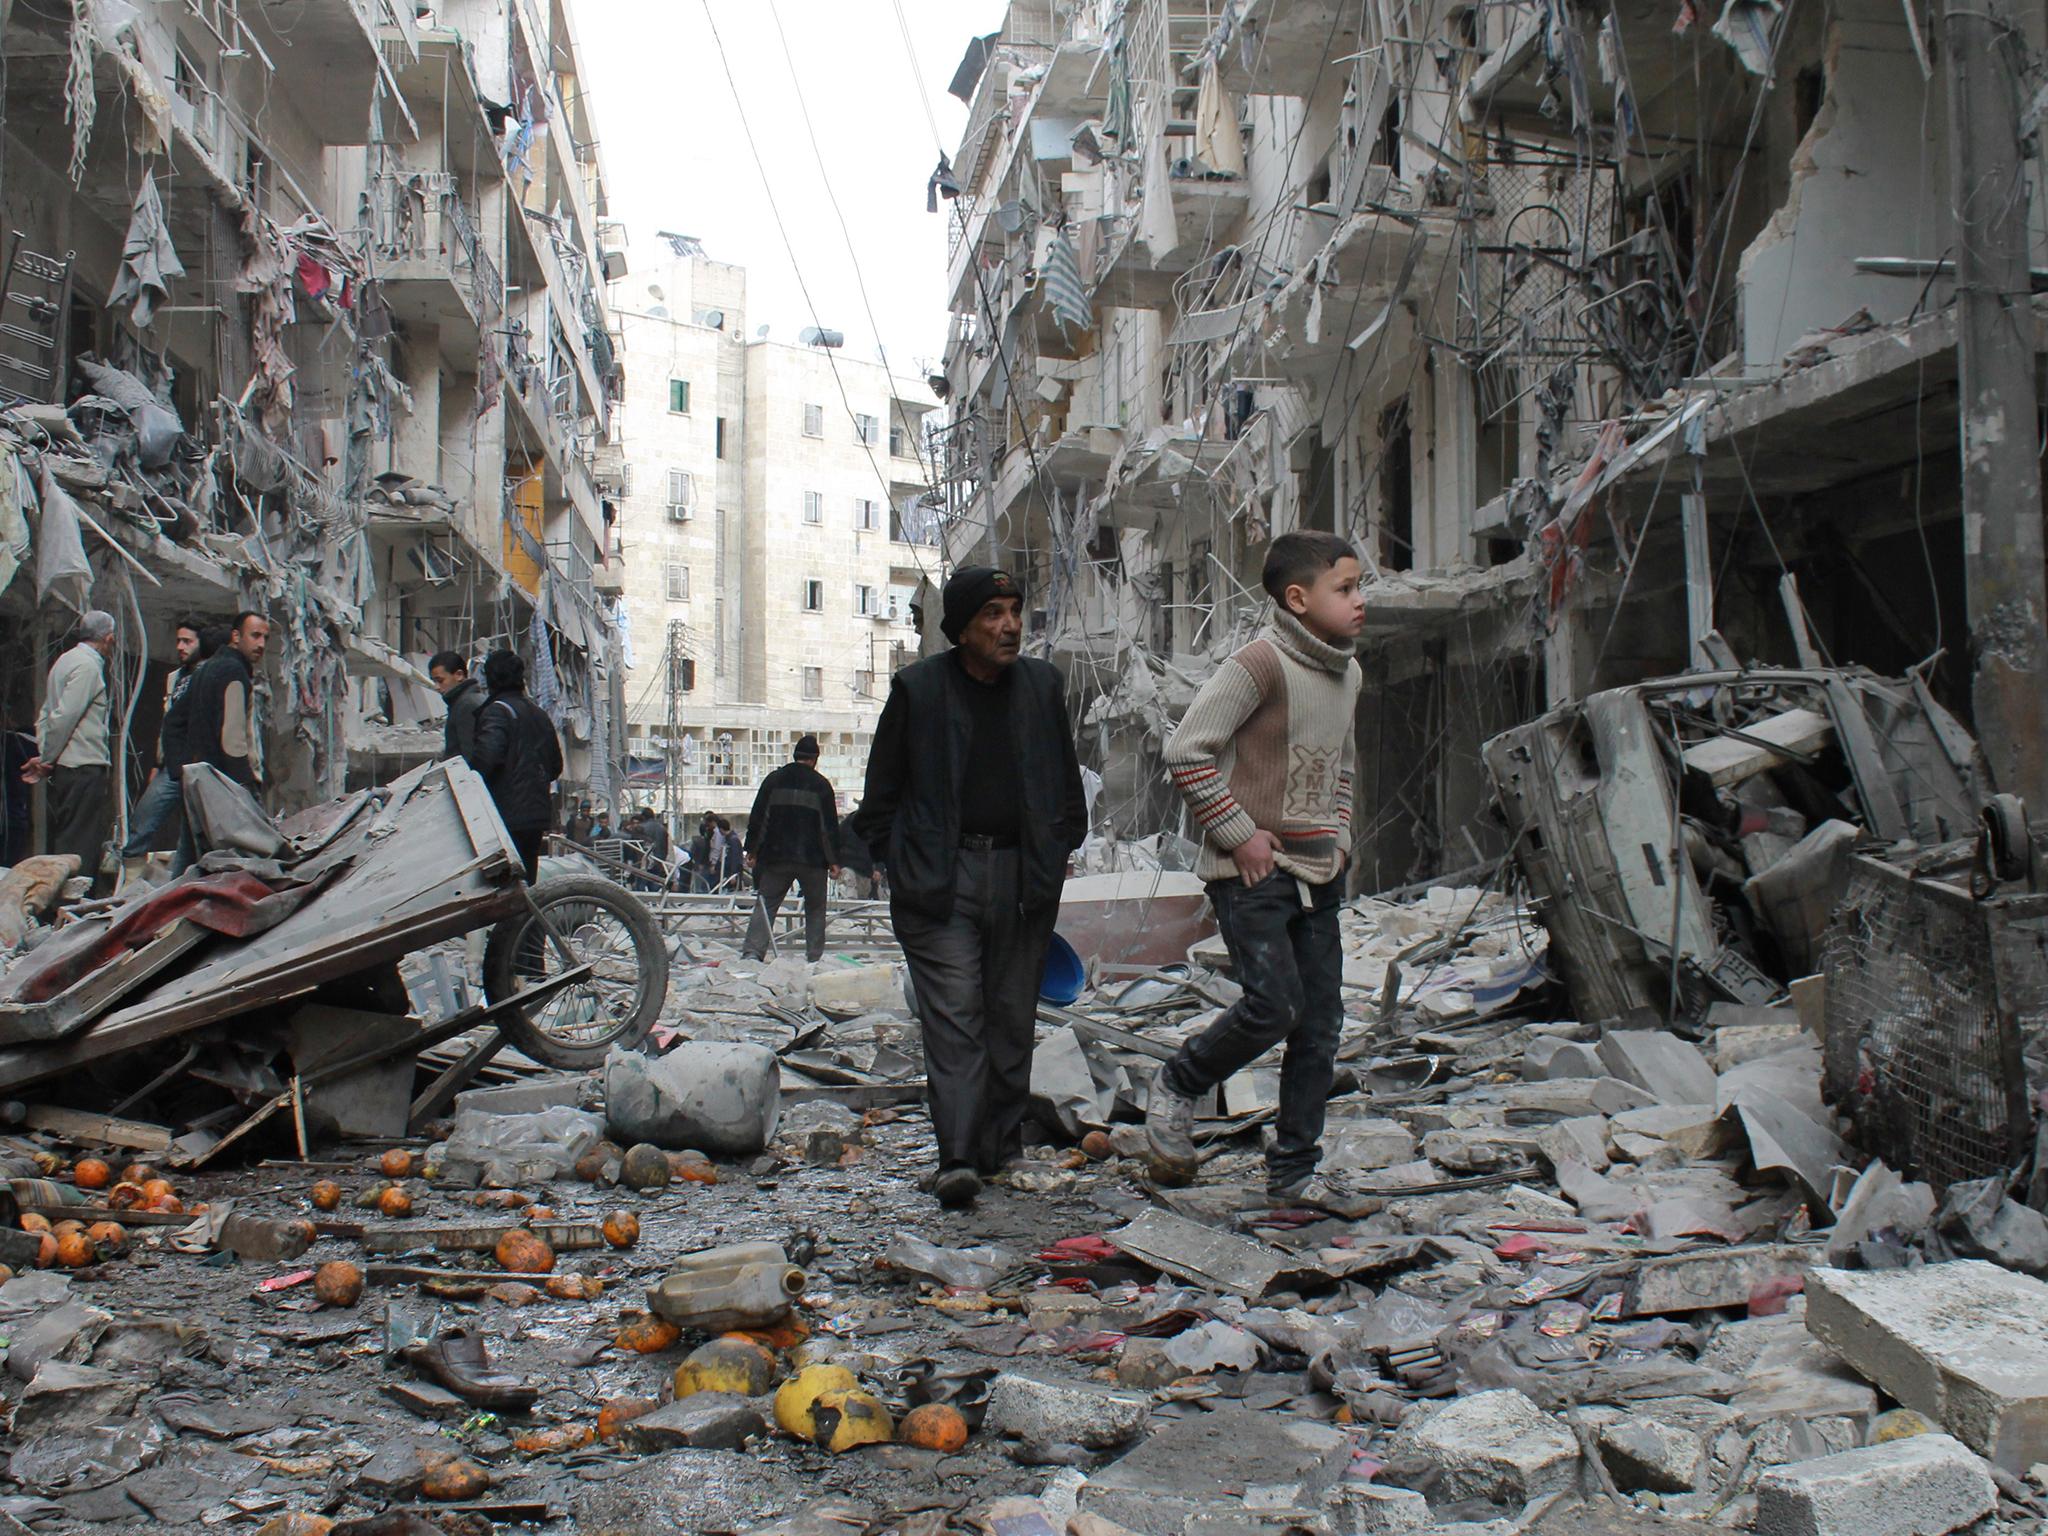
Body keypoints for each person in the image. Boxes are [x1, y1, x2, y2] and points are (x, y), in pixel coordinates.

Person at [1143, 531, 1366, 1208]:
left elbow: (1346, 764)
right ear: (1297, 599)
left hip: (1321, 869)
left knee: (1321, 1025)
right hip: (1252, 873)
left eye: (1361, 589)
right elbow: (1187, 752)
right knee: (1273, 1006)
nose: (1360, 602)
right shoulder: (1259, 664)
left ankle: (1295, 1176)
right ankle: (1182, 1080)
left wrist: (1344, 836)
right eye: (1346, 589)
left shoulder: (1349, 672)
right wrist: (1240, 836)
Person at [852, 567, 1086, 1209]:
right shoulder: (919, 690)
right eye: (991, 614)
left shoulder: (1041, 686)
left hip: (1022, 876)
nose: (1009, 625)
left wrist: (1059, 844)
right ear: (959, 628)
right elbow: (882, 796)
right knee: (956, 1016)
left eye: (1013, 610)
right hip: (941, 878)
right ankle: (957, 1156)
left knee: (1011, 1017)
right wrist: (903, 862)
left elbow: (1066, 782)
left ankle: (1000, 1150)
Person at [119, 617, 216, 882]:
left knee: (196, 831)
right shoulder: (175, 678)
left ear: (200, 644)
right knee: (144, 819)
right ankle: (131, 887)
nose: (181, 647)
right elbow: (166, 724)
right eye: (178, 641)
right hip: (170, 766)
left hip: (197, 765)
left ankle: (185, 887)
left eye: (188, 641)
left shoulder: (209, 674)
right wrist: (156, 763)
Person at [24, 611, 118, 872]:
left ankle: (61, 904)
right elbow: (65, 716)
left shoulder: (65, 661)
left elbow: (46, 715)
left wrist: (46, 753)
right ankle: (72, 905)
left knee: (70, 838)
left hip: (69, 768)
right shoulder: (87, 666)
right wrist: (46, 759)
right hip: (83, 767)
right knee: (80, 845)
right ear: (109, 638)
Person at [741, 734, 842, 963]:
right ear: (815, 759)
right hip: (812, 860)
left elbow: (759, 818)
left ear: (795, 755)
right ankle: (814, 957)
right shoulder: (821, 785)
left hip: (777, 856)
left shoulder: (773, 780)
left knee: (766, 904)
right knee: (815, 908)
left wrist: (753, 850)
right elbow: (828, 828)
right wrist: (834, 861)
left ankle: (752, 953)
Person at [466, 649, 563, 883]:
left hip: (504, 814)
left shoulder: (497, 711)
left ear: (489, 679)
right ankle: (527, 920)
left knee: (500, 886)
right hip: (535, 813)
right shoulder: (538, 713)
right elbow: (555, 766)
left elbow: (485, 760)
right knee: (526, 883)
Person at [184, 610, 268, 790]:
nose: (261, 644)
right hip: (225, 781)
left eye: (265, 638)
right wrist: (245, 784)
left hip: (199, 777)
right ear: (236, 636)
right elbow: (233, 739)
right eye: (255, 636)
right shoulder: (234, 671)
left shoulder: (203, 670)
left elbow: (175, 721)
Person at [431, 650, 485, 763]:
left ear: (459, 675)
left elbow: (471, 756)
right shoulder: (465, 701)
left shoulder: (467, 705)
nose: (436, 687)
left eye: (440, 681)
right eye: (434, 681)